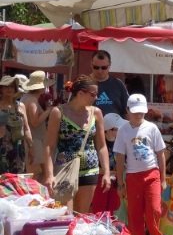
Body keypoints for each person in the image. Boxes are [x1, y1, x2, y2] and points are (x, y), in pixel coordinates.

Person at [44, 75, 110, 213]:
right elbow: (50, 146)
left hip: (90, 169)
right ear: (80, 93)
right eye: (93, 94)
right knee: (64, 213)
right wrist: (50, 175)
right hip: (65, 168)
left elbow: (102, 146)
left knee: (81, 214)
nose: (96, 98)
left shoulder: (96, 113)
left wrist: (106, 173)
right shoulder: (58, 112)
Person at [113, 94, 166, 235]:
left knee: (154, 210)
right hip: (133, 176)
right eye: (135, 112)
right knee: (134, 213)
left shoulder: (152, 128)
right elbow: (120, 158)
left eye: (141, 112)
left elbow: (160, 154)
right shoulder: (123, 130)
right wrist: (120, 183)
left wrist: (163, 178)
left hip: (152, 174)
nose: (138, 115)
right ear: (127, 111)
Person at [21, 71, 55, 181]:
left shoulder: (27, 97)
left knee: (43, 171)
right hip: (35, 139)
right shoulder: (31, 99)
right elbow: (34, 122)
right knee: (34, 173)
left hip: (36, 138)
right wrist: (48, 111)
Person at [91, 112, 125, 214]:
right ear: (108, 130)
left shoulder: (121, 142)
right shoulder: (98, 144)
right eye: (118, 129)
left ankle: (110, 227)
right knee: (99, 208)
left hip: (116, 180)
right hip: (101, 180)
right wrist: (110, 173)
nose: (121, 130)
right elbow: (94, 167)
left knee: (113, 207)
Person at [0, 74, 33, 175]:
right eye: (6, 86)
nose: (9, 89)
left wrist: (31, 147)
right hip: (2, 149)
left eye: (12, 86)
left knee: (17, 178)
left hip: (18, 149)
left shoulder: (20, 106)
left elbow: (26, 129)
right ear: (1, 89)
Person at [89, 50, 129, 117]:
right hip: (90, 126)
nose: (100, 71)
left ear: (110, 64)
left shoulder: (118, 84)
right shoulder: (83, 84)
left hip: (115, 126)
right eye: (96, 67)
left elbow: (127, 112)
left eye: (104, 67)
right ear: (91, 64)